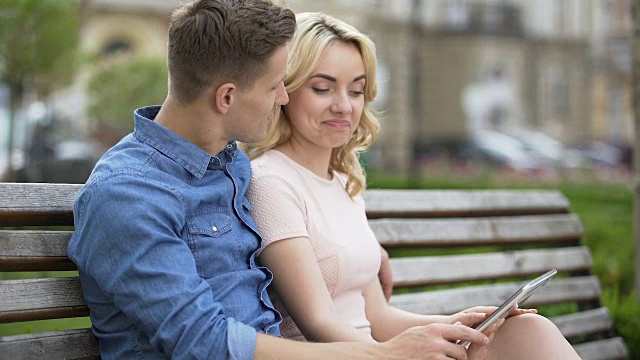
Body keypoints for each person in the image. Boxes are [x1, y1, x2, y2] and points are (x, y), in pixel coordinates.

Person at [67, 1, 492, 359]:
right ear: (227, 97)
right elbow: (204, 342)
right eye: (275, 87)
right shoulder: (129, 195)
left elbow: (305, 215)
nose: (284, 98)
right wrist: (381, 355)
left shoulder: (229, 165)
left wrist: (361, 248)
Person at [245, 12, 582, 359]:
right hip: (345, 356)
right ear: (285, 90)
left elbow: (377, 315)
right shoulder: (271, 181)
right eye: (322, 88)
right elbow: (319, 321)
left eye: (357, 90)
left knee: (529, 330)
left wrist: (458, 324)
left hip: (384, 350)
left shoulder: (344, 182)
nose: (344, 106)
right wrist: (396, 354)